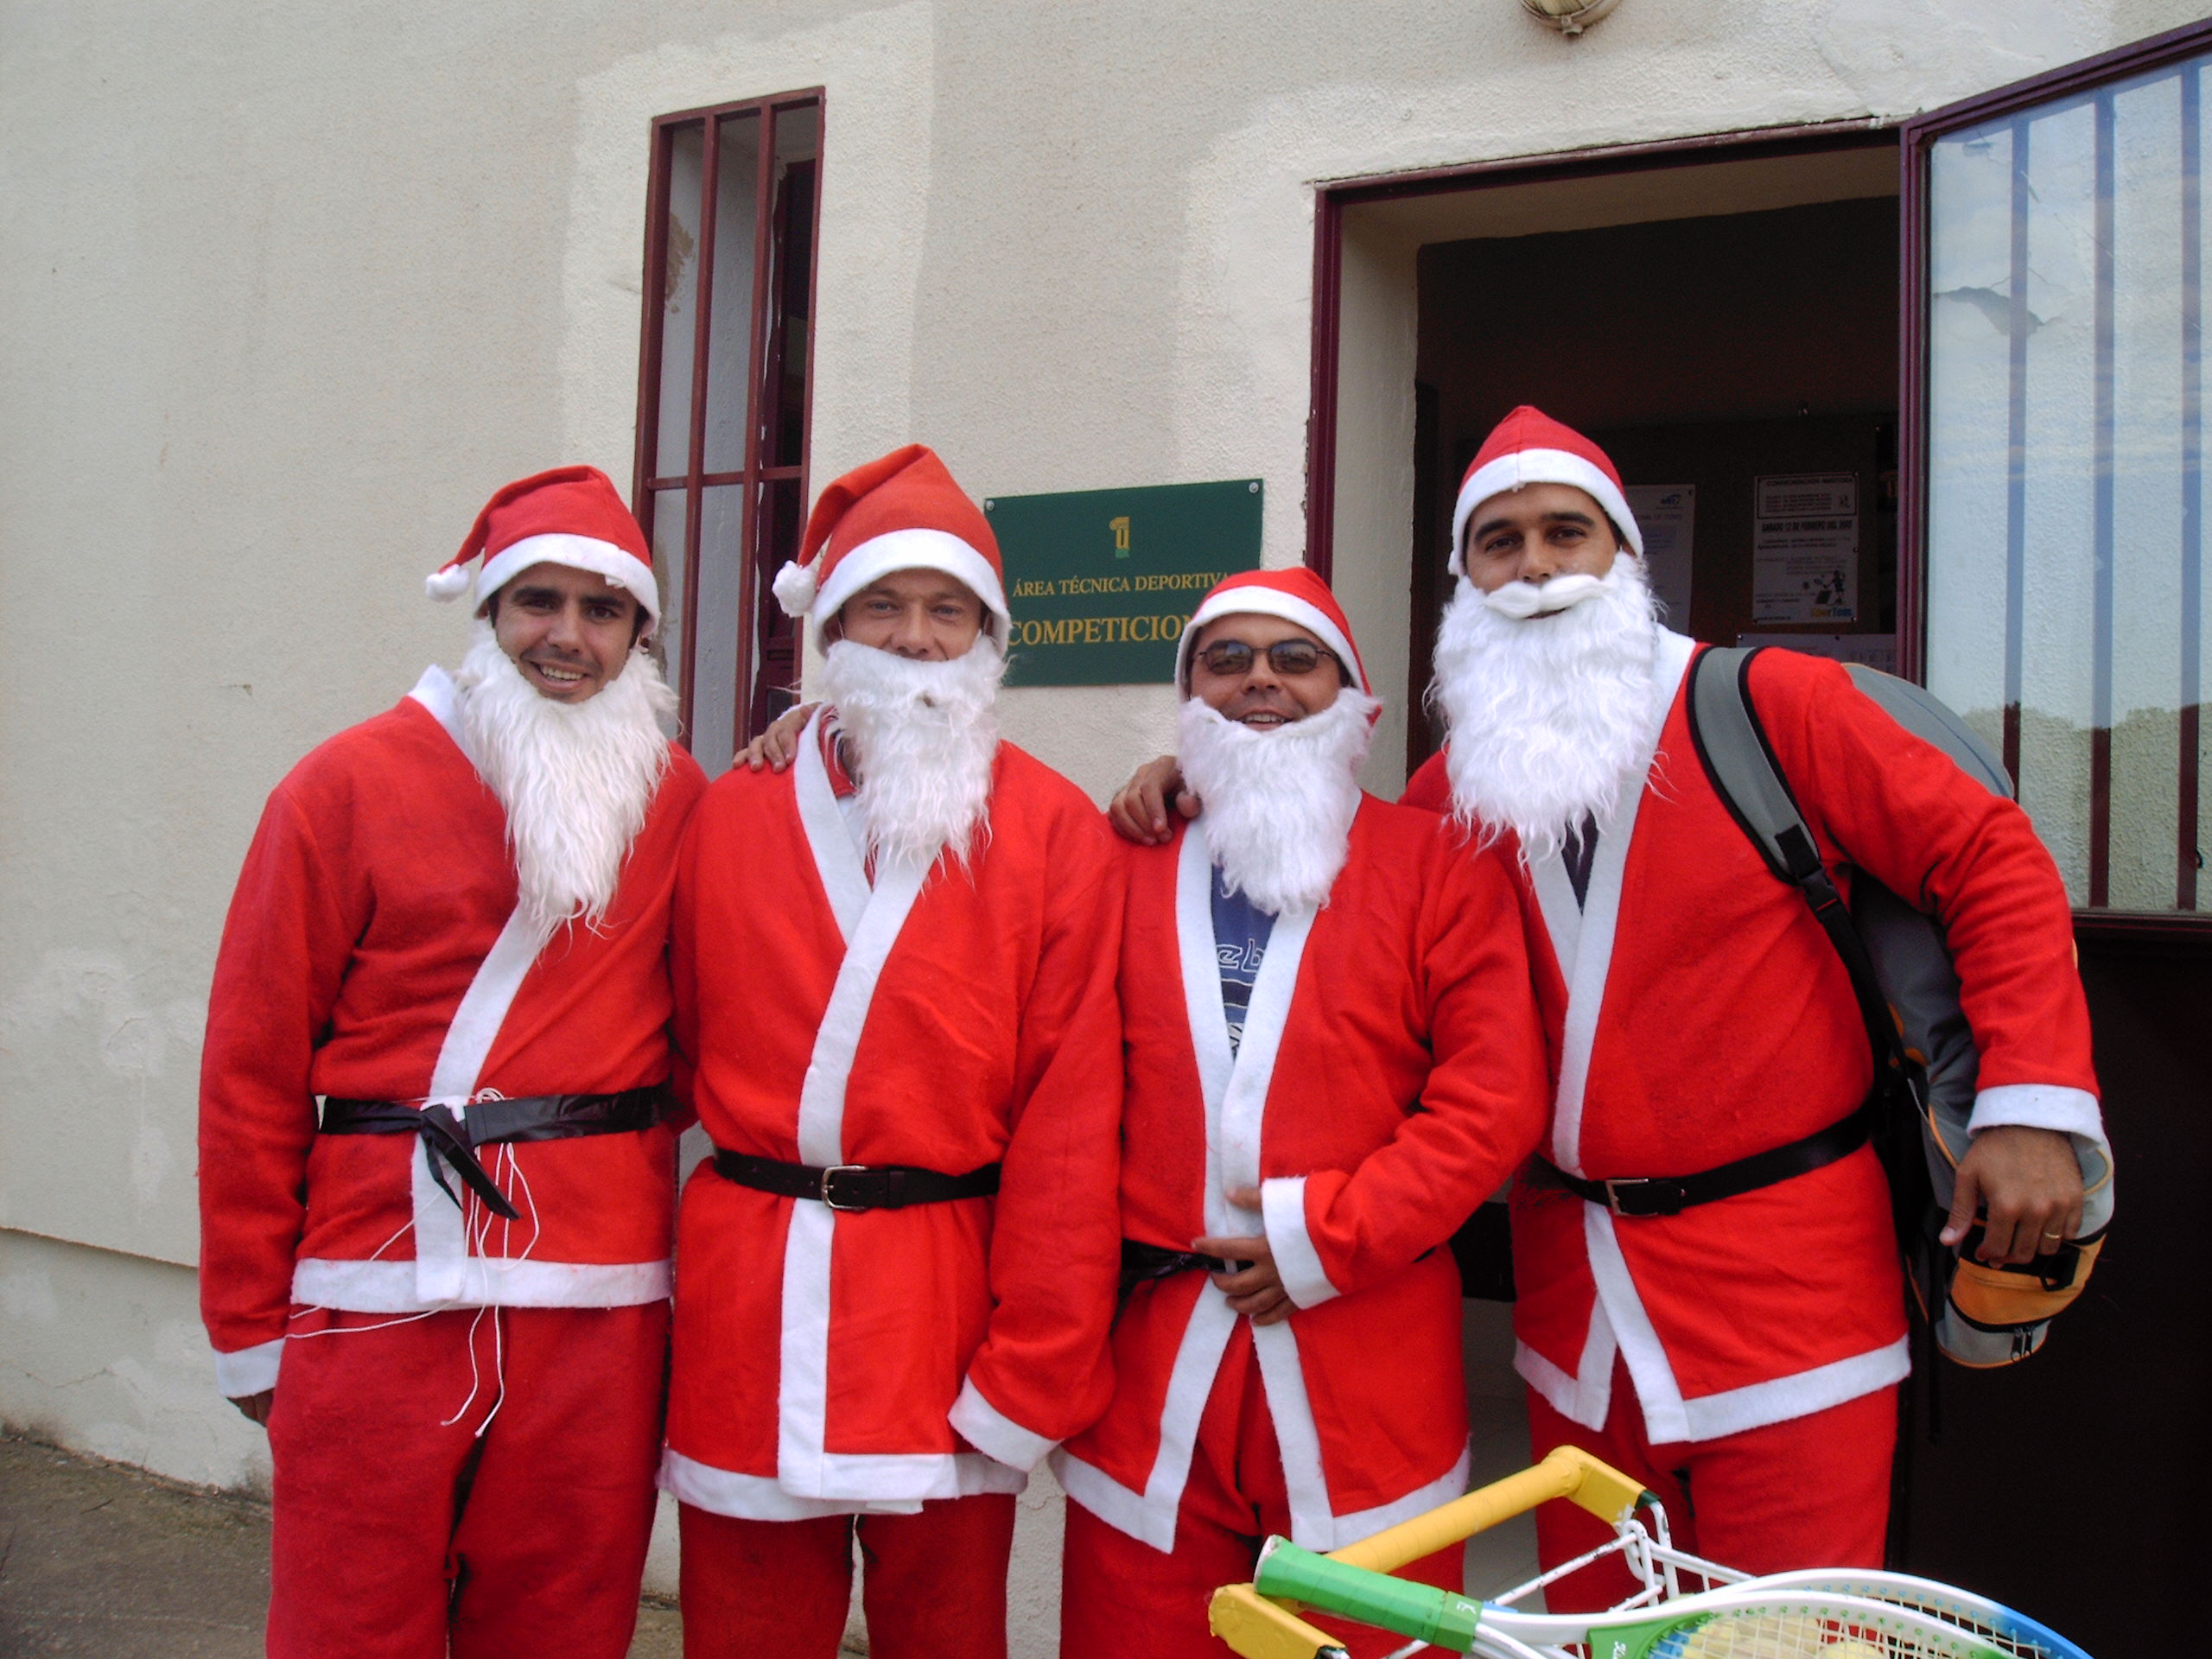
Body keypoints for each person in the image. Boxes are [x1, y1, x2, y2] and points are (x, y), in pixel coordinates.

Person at [1107, 407, 2105, 1604]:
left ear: (1626, 556)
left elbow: (1989, 860)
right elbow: (1332, 864)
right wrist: (1204, 780)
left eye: (1564, 533)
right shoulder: (1449, 790)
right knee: (1600, 1630)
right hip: (1576, 1317)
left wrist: (2031, 1106)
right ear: (1465, 584)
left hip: (1792, 1296)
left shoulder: (1772, 706)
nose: (1533, 567)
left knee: (1785, 1634)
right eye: (1499, 543)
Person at [198, 466, 707, 1658]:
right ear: (486, 611)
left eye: (603, 610)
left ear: (639, 634)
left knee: (565, 1619)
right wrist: (248, 1319)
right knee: (349, 1616)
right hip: (375, 1278)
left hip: (597, 1292)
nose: (568, 638)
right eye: (539, 602)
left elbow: (706, 1025)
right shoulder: (342, 785)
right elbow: (250, 1070)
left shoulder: (679, 797)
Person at [664, 443, 1124, 1659]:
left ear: (988, 636)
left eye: (948, 611)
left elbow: (1072, 1130)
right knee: (745, 1636)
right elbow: (678, 1045)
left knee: (948, 1635)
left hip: (947, 1310)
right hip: (752, 1306)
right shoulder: (730, 814)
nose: (916, 638)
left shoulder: (1055, 830)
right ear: (831, 631)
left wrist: (1037, 1361)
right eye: (882, 606)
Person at [1049, 569, 1549, 1659]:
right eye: (1225, 661)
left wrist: (1328, 1237)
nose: (1260, 682)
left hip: (1366, 1367)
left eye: (1295, 659)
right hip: (1149, 1374)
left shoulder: (1438, 865)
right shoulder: (1115, 858)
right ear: (1188, 699)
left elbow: (1493, 1098)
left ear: (1351, 696)